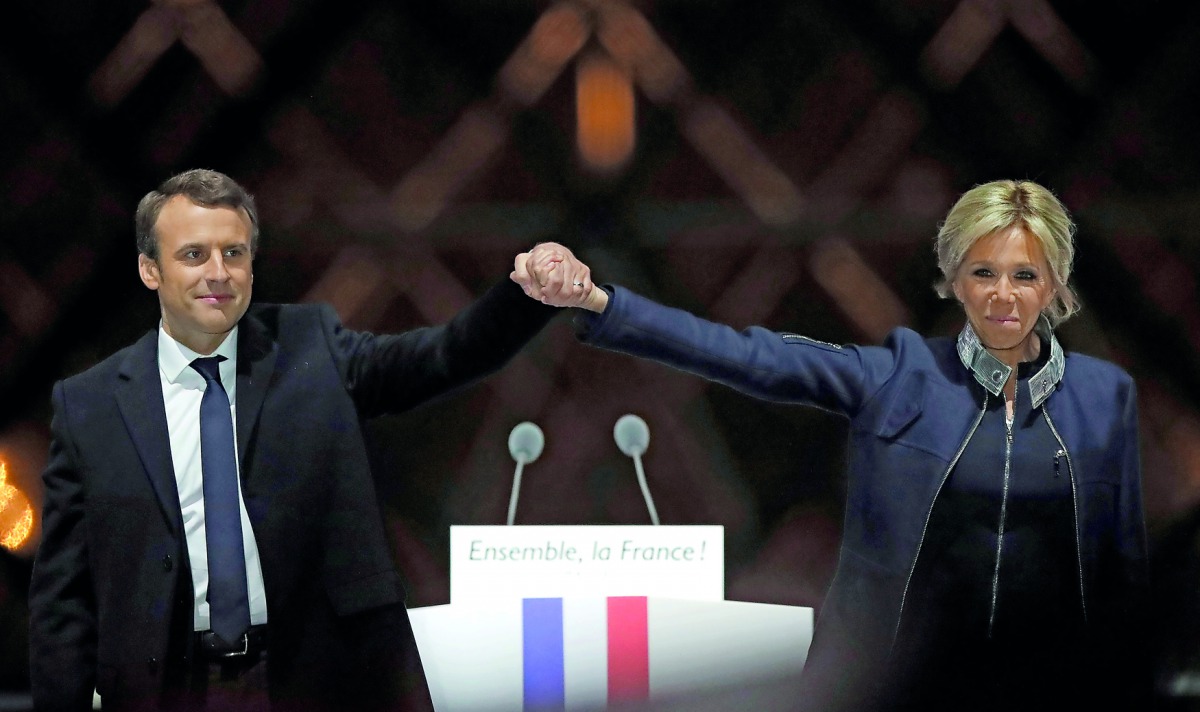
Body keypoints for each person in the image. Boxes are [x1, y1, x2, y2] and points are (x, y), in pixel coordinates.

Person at [512, 179, 1148, 711]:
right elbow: (742, 354)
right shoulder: (898, 377)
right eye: (984, 272)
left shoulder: (1104, 397)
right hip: (887, 679)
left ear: (1056, 284)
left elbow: (1120, 569)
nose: (1003, 295)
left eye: (1024, 274)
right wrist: (599, 299)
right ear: (956, 282)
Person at [29, 168, 565, 712]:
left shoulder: (313, 347)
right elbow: (62, 599)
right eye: (194, 255)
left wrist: (524, 298)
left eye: (234, 254)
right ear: (150, 269)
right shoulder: (90, 405)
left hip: (322, 680)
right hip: (169, 687)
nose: (218, 273)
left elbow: (443, 356)